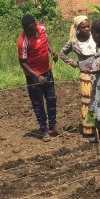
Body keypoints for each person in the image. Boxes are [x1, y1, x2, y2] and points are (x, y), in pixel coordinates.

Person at [18, 14, 59, 142]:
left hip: (47, 70)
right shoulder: (23, 41)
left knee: (51, 98)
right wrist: (37, 76)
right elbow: (22, 62)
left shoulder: (41, 29)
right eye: (26, 30)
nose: (28, 32)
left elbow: (46, 40)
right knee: (38, 103)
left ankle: (53, 126)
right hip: (33, 77)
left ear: (35, 25)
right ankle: (44, 130)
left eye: (30, 29)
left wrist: (52, 51)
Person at [59, 15, 97, 137]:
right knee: (87, 102)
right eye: (83, 27)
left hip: (98, 73)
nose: (86, 29)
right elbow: (62, 53)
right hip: (85, 76)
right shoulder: (74, 41)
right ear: (78, 28)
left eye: (88, 26)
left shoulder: (95, 36)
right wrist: (75, 64)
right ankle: (88, 129)